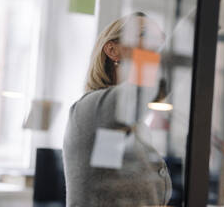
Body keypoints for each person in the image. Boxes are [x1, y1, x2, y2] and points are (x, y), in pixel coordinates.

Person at [63, 12, 172, 207]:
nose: (158, 45)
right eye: (145, 34)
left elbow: (113, 191)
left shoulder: (136, 127)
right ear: (112, 50)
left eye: (161, 38)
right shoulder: (88, 110)